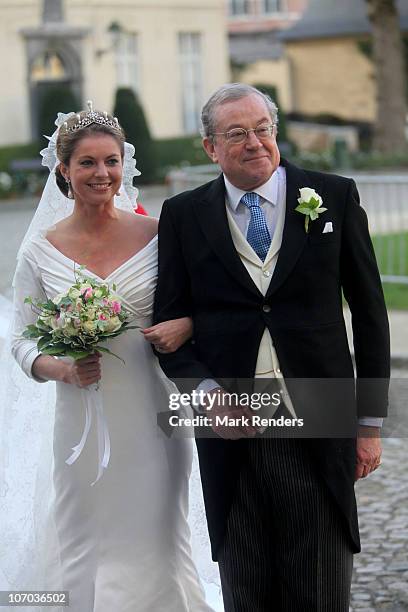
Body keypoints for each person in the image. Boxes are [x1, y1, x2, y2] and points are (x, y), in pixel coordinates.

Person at [153, 83, 390, 611]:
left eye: (263, 129)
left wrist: (369, 424)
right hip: (231, 425)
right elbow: (167, 330)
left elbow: (372, 318)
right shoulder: (183, 215)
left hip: (319, 415)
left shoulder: (333, 195)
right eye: (236, 133)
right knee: (246, 583)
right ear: (210, 148)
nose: (254, 142)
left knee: (321, 582)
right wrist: (206, 393)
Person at [8, 105, 214, 611]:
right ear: (64, 170)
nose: (102, 174)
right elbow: (18, 340)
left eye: (111, 161)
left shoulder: (160, 234)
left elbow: (207, 305)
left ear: (125, 166)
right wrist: (58, 367)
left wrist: (186, 324)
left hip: (154, 414)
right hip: (81, 420)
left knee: (161, 537)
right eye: (87, 164)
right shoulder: (40, 250)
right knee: (84, 539)